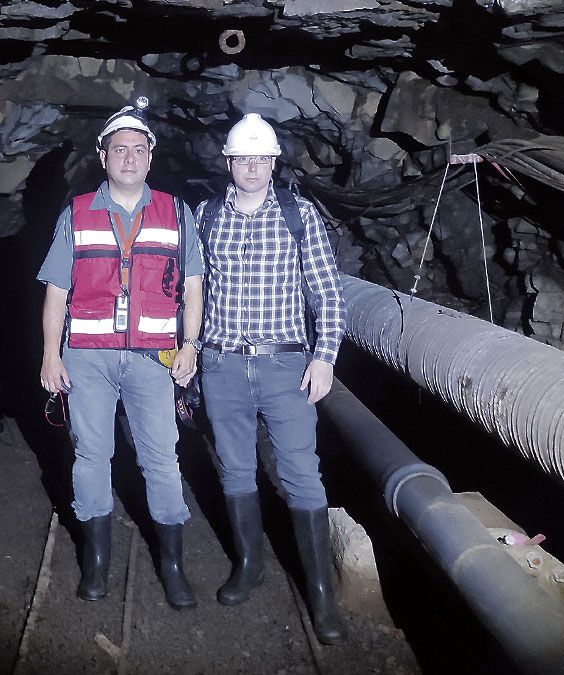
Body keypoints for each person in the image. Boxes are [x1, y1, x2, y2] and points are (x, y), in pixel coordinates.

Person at [37, 99, 204, 610]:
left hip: (153, 357)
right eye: (119, 149)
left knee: (161, 458)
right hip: (88, 356)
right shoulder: (77, 213)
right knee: (92, 456)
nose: (129, 157)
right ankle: (97, 560)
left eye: (138, 149)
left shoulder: (176, 212)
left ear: (150, 157)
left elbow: (194, 286)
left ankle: (172, 564)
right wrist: (49, 354)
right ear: (103, 156)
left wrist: (191, 344)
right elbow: (57, 291)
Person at [195, 113, 347, 642]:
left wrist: (324, 356)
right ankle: (250, 566)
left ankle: (321, 595)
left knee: (302, 473)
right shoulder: (207, 215)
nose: (253, 167)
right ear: (229, 162)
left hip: (286, 364)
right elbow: (193, 290)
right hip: (222, 364)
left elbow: (326, 292)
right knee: (236, 470)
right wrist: (188, 352)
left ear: (274, 163)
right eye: (244, 158)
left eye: (262, 158)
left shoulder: (299, 214)